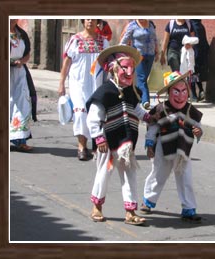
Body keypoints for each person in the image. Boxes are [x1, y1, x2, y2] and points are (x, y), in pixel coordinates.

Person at [86, 45, 158, 225]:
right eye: (124, 68)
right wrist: (99, 137)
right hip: (107, 142)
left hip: (126, 143)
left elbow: (137, 110)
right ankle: (97, 206)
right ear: (113, 70)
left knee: (129, 174)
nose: (129, 72)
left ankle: (130, 211)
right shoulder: (105, 92)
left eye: (131, 69)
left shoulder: (131, 92)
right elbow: (93, 118)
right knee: (104, 172)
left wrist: (150, 117)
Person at [140, 71, 203, 223]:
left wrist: (198, 131)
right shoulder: (161, 109)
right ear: (169, 93)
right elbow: (153, 128)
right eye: (176, 91)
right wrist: (149, 144)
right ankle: (148, 200)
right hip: (163, 148)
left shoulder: (190, 110)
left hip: (183, 150)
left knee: (185, 178)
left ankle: (189, 208)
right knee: (158, 174)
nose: (180, 95)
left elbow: (198, 127)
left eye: (184, 91)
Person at [58, 19, 109, 161]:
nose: (90, 21)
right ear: (83, 21)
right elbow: (66, 63)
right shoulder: (75, 40)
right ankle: (81, 146)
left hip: (96, 84)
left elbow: (109, 63)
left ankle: (96, 145)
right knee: (80, 113)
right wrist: (61, 83)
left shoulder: (103, 42)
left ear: (97, 22)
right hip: (78, 84)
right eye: (87, 19)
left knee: (96, 114)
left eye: (93, 19)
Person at [120, 19, 159, 110]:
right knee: (141, 78)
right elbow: (124, 39)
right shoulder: (132, 25)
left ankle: (137, 98)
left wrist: (157, 52)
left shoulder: (151, 24)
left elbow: (155, 39)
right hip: (138, 56)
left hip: (150, 55)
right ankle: (146, 101)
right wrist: (120, 51)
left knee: (143, 78)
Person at [10, 19, 34, 152]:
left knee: (22, 104)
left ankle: (20, 140)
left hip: (19, 73)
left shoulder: (22, 34)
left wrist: (21, 61)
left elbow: (27, 54)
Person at [189, 19, 210, 102]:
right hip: (202, 53)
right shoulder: (201, 26)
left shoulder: (191, 26)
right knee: (196, 73)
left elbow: (192, 41)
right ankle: (200, 91)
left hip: (194, 53)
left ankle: (194, 95)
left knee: (192, 73)